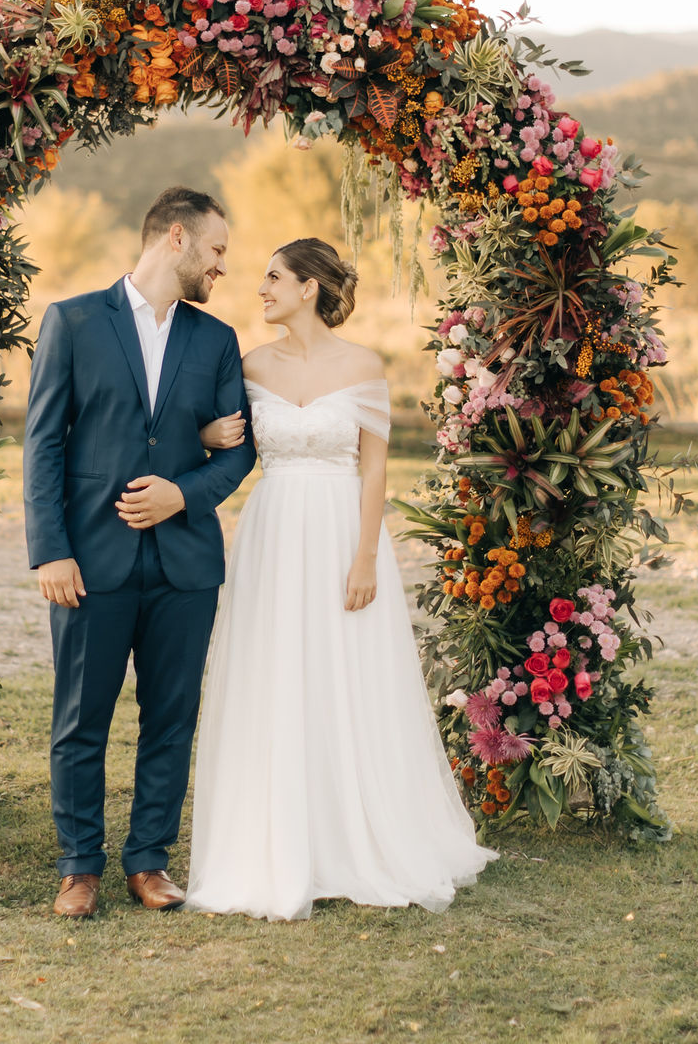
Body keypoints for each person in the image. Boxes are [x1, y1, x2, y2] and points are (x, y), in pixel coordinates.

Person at [184, 237, 497, 921]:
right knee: (276, 673)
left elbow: (375, 467)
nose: (260, 289)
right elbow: (223, 434)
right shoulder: (251, 363)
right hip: (272, 531)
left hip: (340, 531)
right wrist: (208, 436)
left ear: (309, 288)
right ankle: (278, 839)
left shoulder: (362, 364)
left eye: (273, 278)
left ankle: (357, 835)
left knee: (344, 673)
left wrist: (363, 556)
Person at [24, 187, 256, 918]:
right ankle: (78, 867)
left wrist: (182, 494)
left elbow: (237, 453)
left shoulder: (217, 341)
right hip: (90, 559)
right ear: (178, 240)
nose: (224, 267)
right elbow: (42, 446)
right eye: (217, 250)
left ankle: (149, 861)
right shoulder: (73, 321)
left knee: (171, 717)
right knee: (80, 718)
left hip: (185, 564)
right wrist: (50, 552)